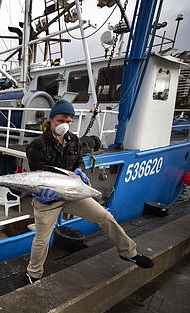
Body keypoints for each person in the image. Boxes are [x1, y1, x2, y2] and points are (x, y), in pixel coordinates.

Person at [24, 99, 154, 284]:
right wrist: (41, 193)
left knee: (105, 216)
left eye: (69, 121)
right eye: (60, 120)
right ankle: (33, 273)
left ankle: (128, 252)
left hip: (71, 193)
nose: (65, 125)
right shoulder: (37, 145)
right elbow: (38, 174)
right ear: (51, 120)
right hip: (48, 199)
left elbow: (78, 162)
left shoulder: (74, 140)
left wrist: (80, 172)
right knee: (42, 238)